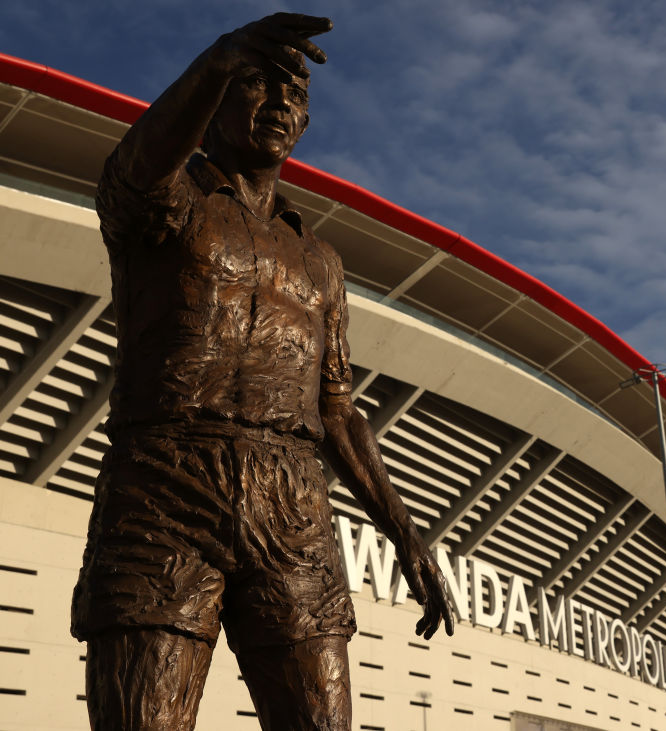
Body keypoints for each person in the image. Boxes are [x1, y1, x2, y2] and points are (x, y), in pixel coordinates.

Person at [70, 13, 453, 731]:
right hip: (165, 483)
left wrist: (405, 532)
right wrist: (216, 61)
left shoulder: (319, 260)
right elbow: (135, 168)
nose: (281, 104)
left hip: (292, 501)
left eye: (296, 96)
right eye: (257, 84)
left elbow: (338, 409)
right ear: (214, 101)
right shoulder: (166, 206)